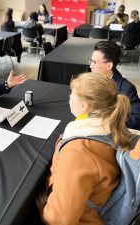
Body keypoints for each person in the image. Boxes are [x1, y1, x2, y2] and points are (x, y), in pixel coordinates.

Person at [37, 72, 132, 225]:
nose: (69, 98)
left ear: (84, 105)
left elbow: (59, 219)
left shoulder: (78, 151)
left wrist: (44, 209)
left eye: (72, 95)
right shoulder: (113, 126)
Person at [89, 41, 140, 131]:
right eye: (91, 61)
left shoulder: (126, 88)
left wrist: (109, 116)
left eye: (94, 62)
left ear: (109, 66)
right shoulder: (91, 79)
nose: (90, 66)